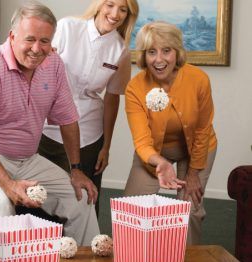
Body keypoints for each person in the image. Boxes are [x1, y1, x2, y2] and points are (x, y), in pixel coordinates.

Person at [0, 1, 99, 246]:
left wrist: (76, 168)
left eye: (45, 41)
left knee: (81, 197)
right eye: (30, 39)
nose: (37, 49)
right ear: (12, 37)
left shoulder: (53, 64)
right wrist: (8, 185)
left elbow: (68, 119)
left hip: (26, 158)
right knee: (0, 204)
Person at [39, 0, 139, 216]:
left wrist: (106, 146)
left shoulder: (120, 49)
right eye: (110, 5)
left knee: (86, 199)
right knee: (42, 198)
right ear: (99, 5)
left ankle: (87, 248)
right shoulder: (67, 28)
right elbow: (39, 69)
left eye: (123, 10)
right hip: (49, 130)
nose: (115, 14)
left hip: (89, 134)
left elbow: (112, 98)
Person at [124, 21, 217, 245]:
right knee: (131, 208)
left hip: (195, 149)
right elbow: (142, 142)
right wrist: (161, 163)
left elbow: (203, 129)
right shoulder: (135, 88)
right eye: (151, 52)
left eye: (166, 50)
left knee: (189, 208)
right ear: (143, 56)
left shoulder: (199, 79)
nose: (159, 59)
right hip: (155, 153)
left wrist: (193, 174)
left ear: (177, 52)